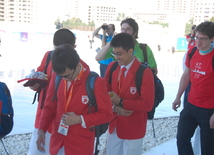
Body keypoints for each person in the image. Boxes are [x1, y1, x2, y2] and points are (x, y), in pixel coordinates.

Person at [36, 44, 113, 155]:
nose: (65, 79)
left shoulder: (95, 82)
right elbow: (49, 106)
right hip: (58, 141)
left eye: (67, 76)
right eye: (61, 76)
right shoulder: (57, 76)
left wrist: (80, 119)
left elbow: (107, 114)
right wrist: (41, 129)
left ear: (77, 66)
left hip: (81, 144)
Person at [27, 28, 76, 155]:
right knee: (38, 148)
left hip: (63, 116)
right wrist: (35, 84)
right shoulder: (48, 56)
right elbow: (39, 74)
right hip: (45, 112)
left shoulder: (78, 64)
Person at [104, 33, 155, 155]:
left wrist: (121, 102)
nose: (116, 57)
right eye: (114, 53)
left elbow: (147, 104)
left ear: (130, 51)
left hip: (134, 128)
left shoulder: (144, 72)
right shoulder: (112, 67)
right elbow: (104, 96)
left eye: (119, 54)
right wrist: (115, 108)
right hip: (114, 125)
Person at [172, 21, 214, 155]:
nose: (198, 42)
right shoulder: (192, 52)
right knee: (182, 139)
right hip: (191, 105)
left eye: (203, 39)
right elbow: (186, 76)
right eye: (196, 37)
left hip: (209, 109)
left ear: (212, 39)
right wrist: (178, 97)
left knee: (207, 148)